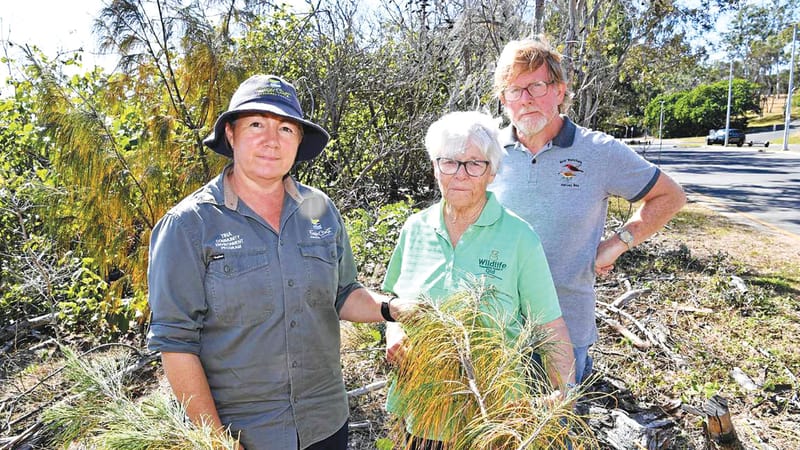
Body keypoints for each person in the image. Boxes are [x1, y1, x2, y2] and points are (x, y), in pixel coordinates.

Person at [146, 74, 413, 450]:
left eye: (286, 128)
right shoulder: (189, 225)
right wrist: (215, 438)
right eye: (256, 124)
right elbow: (175, 342)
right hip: (245, 433)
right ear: (231, 135)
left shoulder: (319, 209)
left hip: (325, 423)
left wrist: (393, 308)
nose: (272, 140)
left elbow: (343, 293)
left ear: (298, 142)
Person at [489, 36, 687, 384]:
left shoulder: (598, 152)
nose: (527, 99)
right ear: (504, 99)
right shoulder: (487, 152)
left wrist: (619, 242)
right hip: (494, 327)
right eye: (515, 90)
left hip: (565, 327)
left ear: (560, 91)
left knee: (554, 429)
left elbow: (670, 196)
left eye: (537, 85)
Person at [383, 111, 575, 449]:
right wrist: (395, 333)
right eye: (449, 162)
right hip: (422, 408)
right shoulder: (415, 229)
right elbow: (393, 298)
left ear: (492, 172)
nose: (460, 174)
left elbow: (549, 324)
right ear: (434, 167)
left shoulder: (519, 238)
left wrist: (564, 392)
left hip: (494, 412)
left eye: (474, 164)